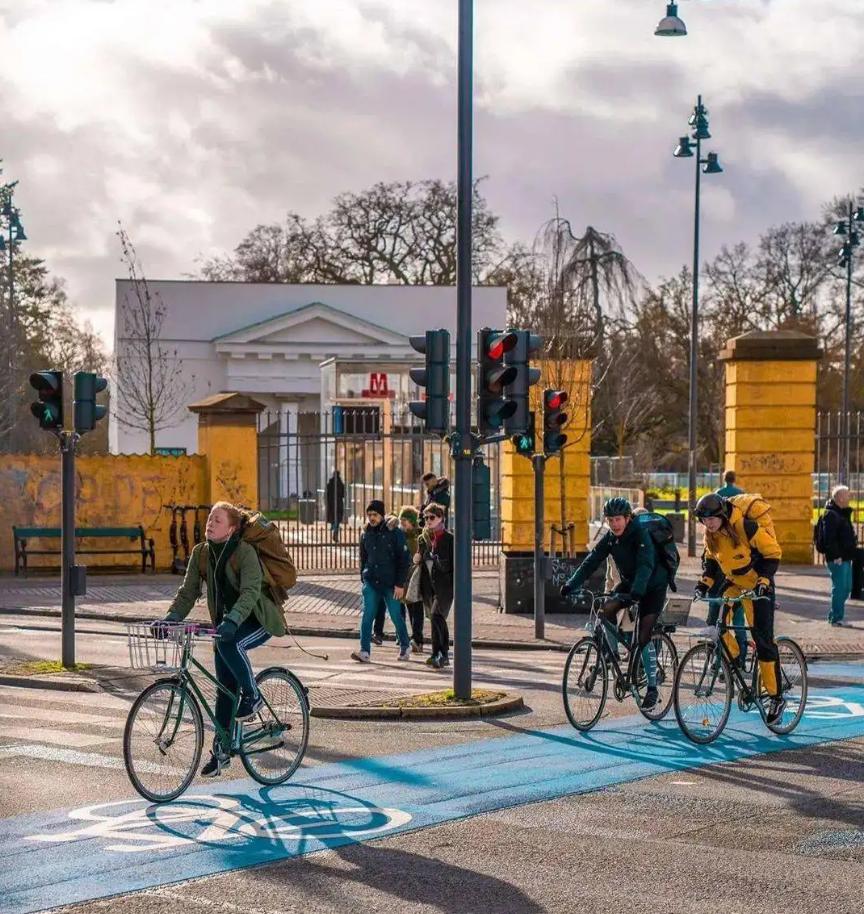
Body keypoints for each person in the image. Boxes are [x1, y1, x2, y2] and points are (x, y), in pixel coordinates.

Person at [162, 501, 287, 778]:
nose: (210, 523)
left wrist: (233, 621)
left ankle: (253, 696)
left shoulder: (245, 552)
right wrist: (171, 617)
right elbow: (188, 591)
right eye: (209, 519)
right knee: (225, 690)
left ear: (231, 528)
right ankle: (222, 752)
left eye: (217, 520)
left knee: (231, 644)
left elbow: (250, 591)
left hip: (256, 620)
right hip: (226, 626)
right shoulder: (201, 553)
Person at [560, 497, 669, 711]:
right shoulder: (611, 538)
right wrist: (571, 584)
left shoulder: (641, 534)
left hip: (654, 585)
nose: (614, 524)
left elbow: (646, 565)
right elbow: (592, 560)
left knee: (644, 634)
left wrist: (637, 594)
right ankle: (612, 655)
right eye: (610, 520)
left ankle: (652, 688)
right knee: (606, 610)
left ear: (628, 518)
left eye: (618, 519)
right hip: (631, 583)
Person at [692, 492, 785, 725]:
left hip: (758, 585)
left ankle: (776, 697)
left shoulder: (746, 527)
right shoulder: (710, 536)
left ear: (722, 515)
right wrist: (703, 586)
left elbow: (772, 553)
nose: (708, 523)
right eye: (704, 520)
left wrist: (764, 581)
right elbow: (712, 563)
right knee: (716, 625)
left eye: (712, 518)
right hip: (734, 583)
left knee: (762, 639)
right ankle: (734, 656)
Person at [352, 500, 412, 663]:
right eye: (369, 514)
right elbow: (363, 558)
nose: (371, 518)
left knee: (395, 615)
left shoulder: (394, 532)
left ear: (382, 515)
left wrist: (400, 584)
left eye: (375, 515)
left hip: (391, 582)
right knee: (367, 616)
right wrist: (363, 578)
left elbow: (404, 559)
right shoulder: (365, 533)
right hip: (371, 581)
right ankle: (364, 651)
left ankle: (405, 645)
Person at [417, 503, 454, 669]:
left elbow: (451, 566)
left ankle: (443, 653)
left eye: (432, 517)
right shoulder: (424, 539)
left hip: (445, 586)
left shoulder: (449, 539)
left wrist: (435, 558)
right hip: (428, 585)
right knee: (434, 619)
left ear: (441, 518)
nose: (428, 521)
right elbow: (420, 561)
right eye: (426, 518)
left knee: (437, 615)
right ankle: (436, 653)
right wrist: (418, 558)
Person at [820, 484, 857, 627]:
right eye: (847, 494)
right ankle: (836, 618)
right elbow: (829, 538)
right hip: (837, 558)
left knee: (847, 587)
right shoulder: (830, 514)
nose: (850, 497)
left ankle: (834, 615)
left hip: (846, 557)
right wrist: (836, 555)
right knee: (840, 587)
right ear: (840, 498)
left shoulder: (842, 512)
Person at [397, 505, 426, 652]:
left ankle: (418, 639)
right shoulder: (401, 536)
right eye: (401, 521)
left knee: (417, 609)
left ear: (412, 521)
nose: (402, 524)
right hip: (406, 578)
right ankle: (414, 637)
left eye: (405, 521)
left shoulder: (419, 536)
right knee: (410, 608)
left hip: (417, 577)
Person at [325, 470, 346, 543]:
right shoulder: (341, 484)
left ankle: (333, 526)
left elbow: (327, 495)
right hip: (339, 504)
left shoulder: (330, 484)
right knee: (337, 518)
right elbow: (343, 495)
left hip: (331, 504)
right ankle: (335, 532)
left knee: (333, 517)